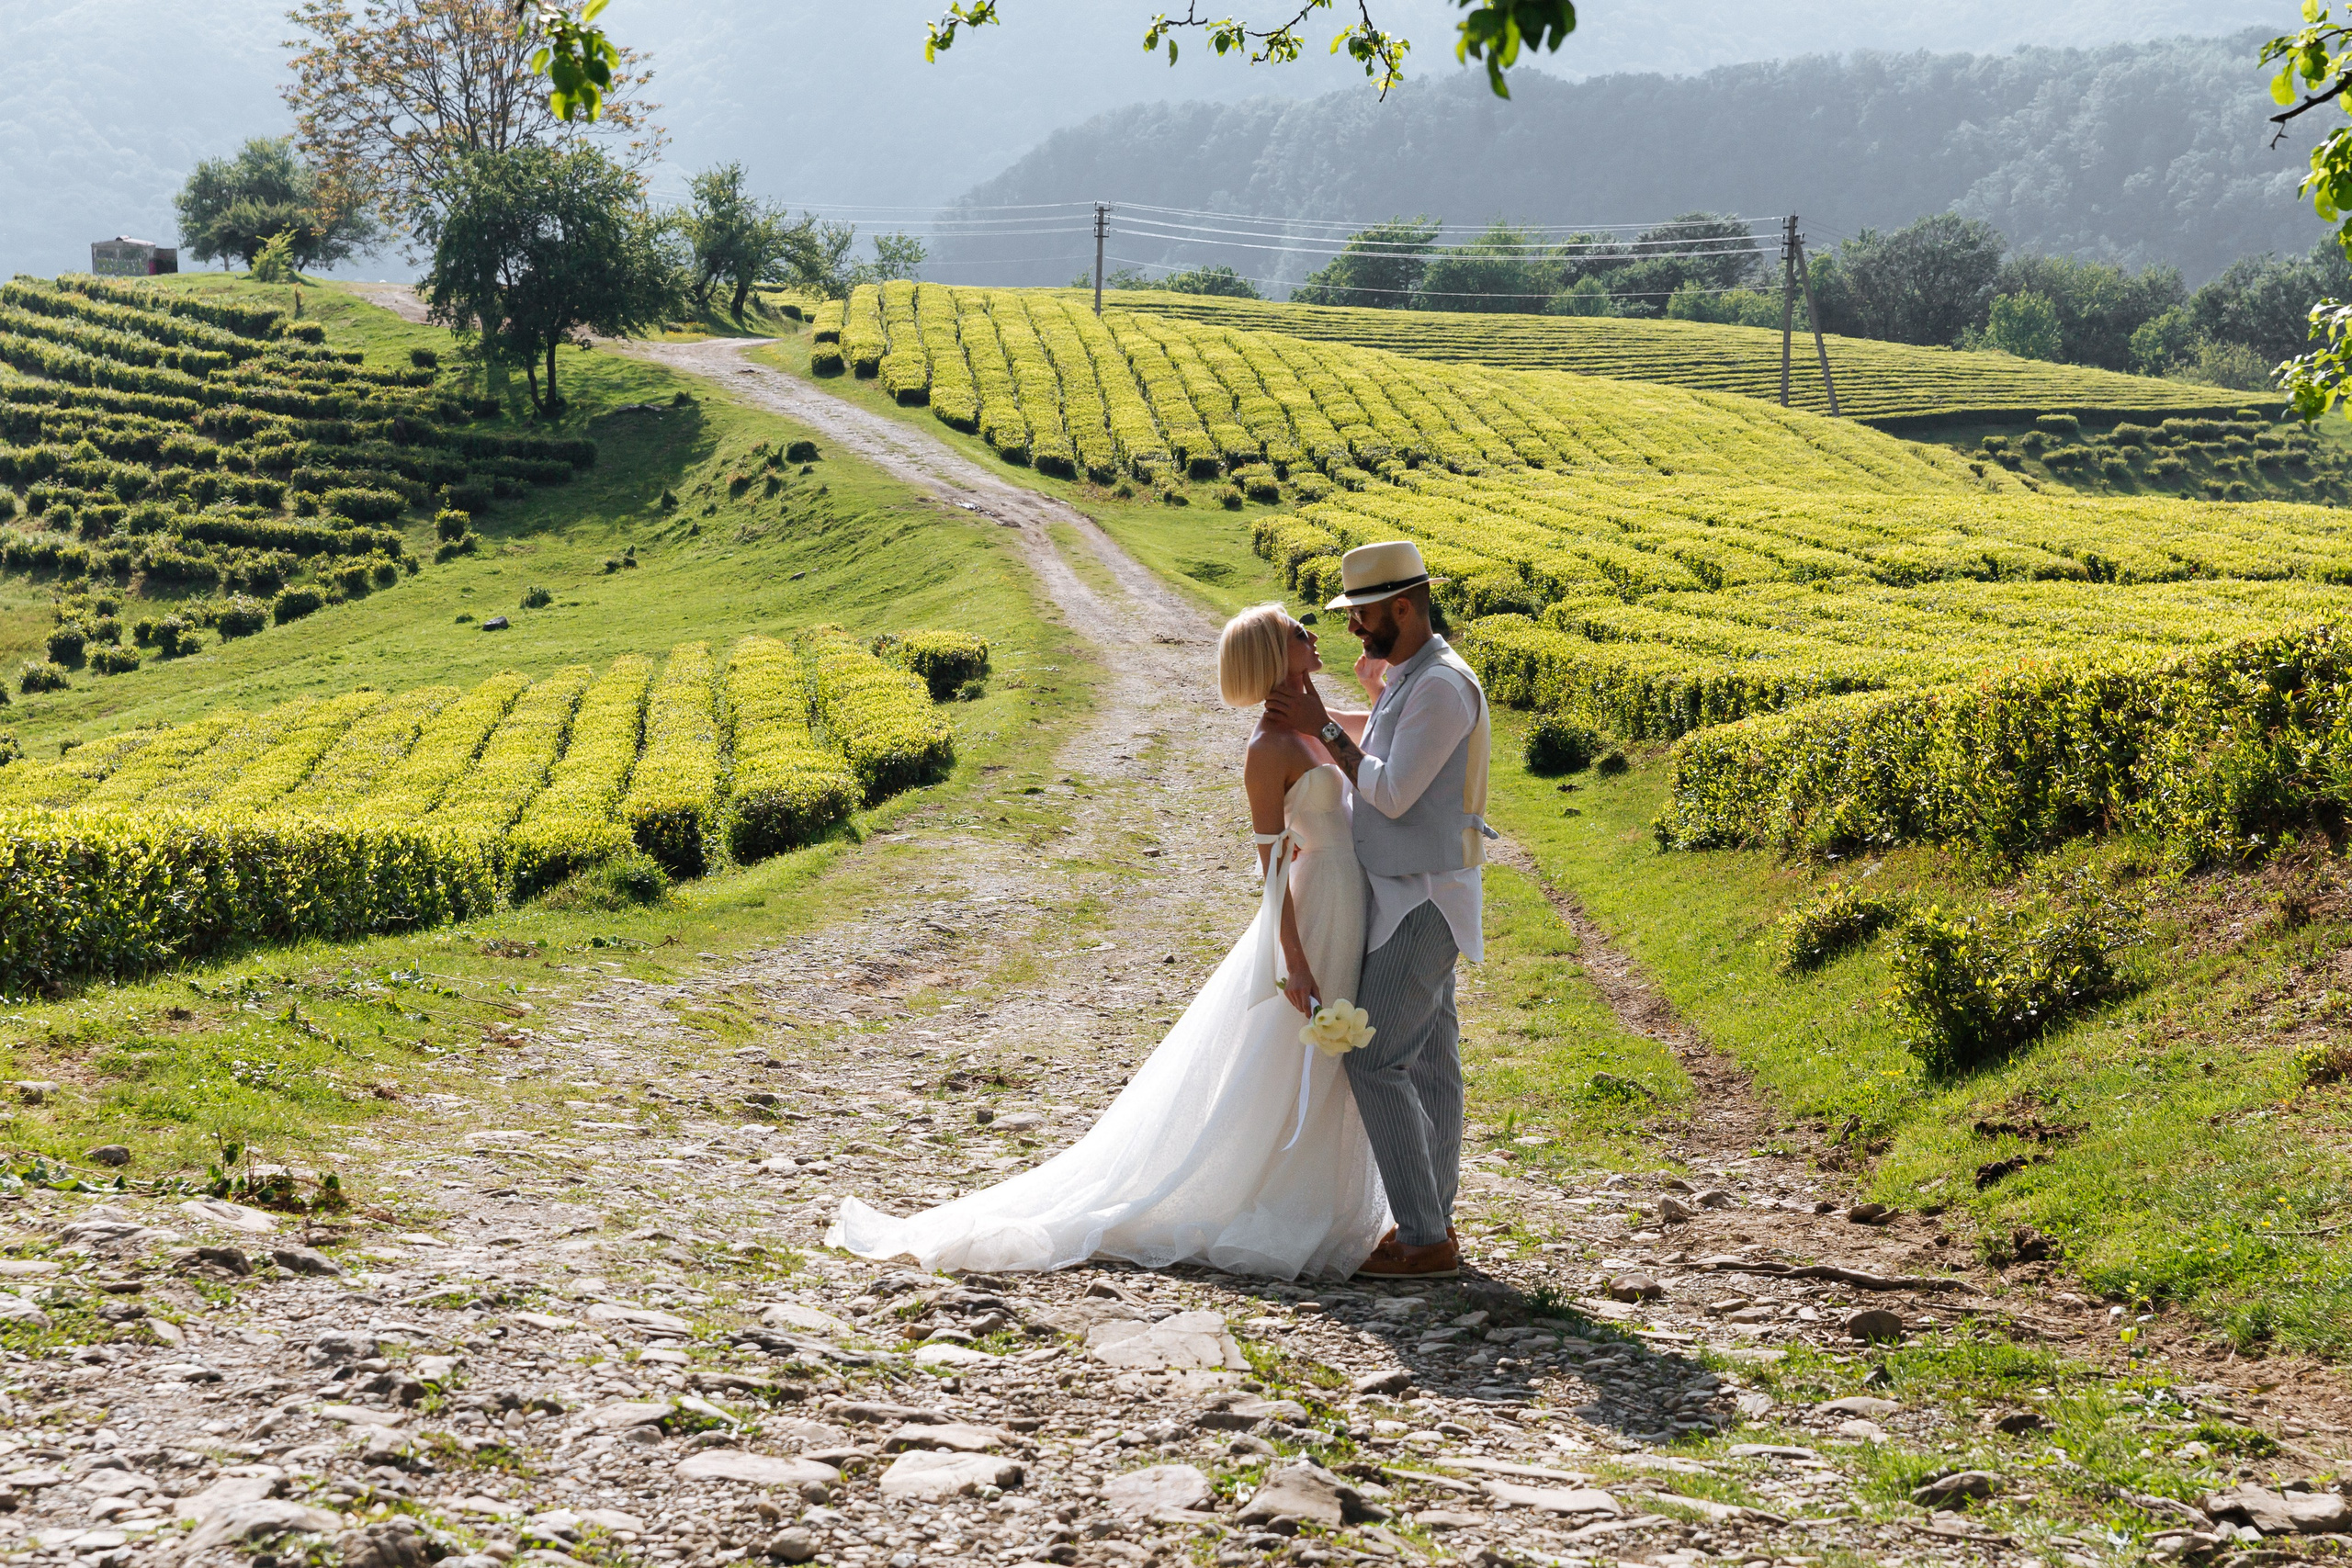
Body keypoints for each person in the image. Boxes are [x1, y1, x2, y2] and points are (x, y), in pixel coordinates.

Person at [827, 604, 1389, 1279]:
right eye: (1299, 630)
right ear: (1275, 653)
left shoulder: (1307, 721)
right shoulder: (1267, 747)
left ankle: (1308, 1199)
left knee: (1324, 1062)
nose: (1313, 633)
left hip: (1349, 898)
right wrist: (1290, 957)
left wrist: (1369, 688)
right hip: (1317, 904)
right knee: (1289, 1055)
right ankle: (1268, 1197)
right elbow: (1267, 863)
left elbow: (1378, 744)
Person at [1267, 540, 1490, 1280]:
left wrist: (1321, 727)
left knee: (1374, 1053)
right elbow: (1377, 739)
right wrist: (1318, 715)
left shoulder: (1442, 687)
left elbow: (1389, 791)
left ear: (1404, 606)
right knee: (1431, 1062)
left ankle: (1425, 1237)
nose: (1354, 630)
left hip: (1423, 896)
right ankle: (1430, 1222)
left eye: (1363, 615)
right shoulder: (1412, 675)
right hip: (1405, 889)